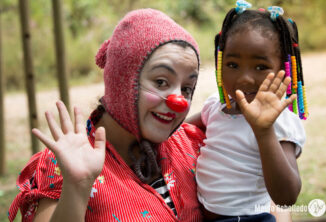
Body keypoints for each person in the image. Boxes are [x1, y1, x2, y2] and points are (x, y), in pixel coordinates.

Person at [9, 8, 204, 222]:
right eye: (161, 82)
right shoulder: (66, 162)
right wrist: (77, 187)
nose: (179, 102)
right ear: (122, 81)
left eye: (187, 88)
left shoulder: (191, 146)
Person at [186, 1, 307, 221]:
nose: (244, 78)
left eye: (260, 67)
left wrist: (263, 131)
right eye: (232, 65)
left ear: (283, 70)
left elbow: (287, 197)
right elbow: (181, 130)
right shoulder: (217, 105)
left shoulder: (280, 121)